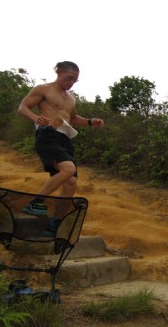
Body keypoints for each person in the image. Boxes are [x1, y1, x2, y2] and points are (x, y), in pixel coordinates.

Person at [18, 61, 104, 235]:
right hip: (47, 135)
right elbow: (23, 108)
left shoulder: (71, 97)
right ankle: (35, 203)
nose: (71, 82)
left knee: (71, 183)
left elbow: (72, 118)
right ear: (58, 72)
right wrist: (35, 118)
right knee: (68, 169)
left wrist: (90, 122)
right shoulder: (44, 89)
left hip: (64, 139)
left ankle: (54, 224)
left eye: (75, 80)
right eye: (69, 78)